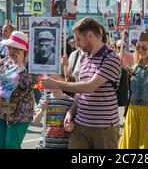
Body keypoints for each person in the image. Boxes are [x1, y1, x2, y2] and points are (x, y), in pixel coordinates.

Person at [41, 17, 121, 149]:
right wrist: (71, 112)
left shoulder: (111, 58)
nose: (76, 43)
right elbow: (80, 91)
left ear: (90, 35)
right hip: (80, 125)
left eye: (78, 39)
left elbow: (89, 87)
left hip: (104, 127)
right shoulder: (84, 57)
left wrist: (56, 84)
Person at [0, 31, 38, 149]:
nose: (11, 52)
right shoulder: (2, 62)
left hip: (20, 112)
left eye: (15, 49)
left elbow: (28, 85)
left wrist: (20, 66)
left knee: (11, 145)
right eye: (9, 48)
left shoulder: (31, 66)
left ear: (24, 51)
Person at [120, 32, 148, 149]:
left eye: (144, 47)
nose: (140, 50)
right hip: (132, 111)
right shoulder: (134, 68)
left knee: (147, 146)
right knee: (130, 145)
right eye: (138, 47)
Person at [33, 74, 74, 149]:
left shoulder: (71, 102)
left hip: (63, 145)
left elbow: (74, 125)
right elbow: (35, 122)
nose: (51, 83)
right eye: (49, 81)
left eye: (55, 80)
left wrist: (71, 126)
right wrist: (42, 110)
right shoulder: (44, 99)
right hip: (45, 145)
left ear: (63, 80)